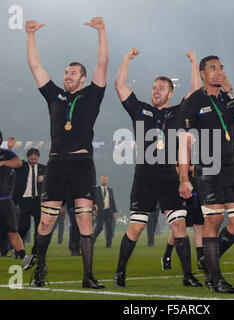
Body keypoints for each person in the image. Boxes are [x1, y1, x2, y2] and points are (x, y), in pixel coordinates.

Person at [25, 17, 109, 289]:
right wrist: (31, 35)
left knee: (84, 218)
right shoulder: (55, 96)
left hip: (82, 163)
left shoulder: (93, 95)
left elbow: (102, 64)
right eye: (66, 73)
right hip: (58, 164)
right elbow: (36, 66)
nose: (67, 76)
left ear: (83, 79)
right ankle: (40, 269)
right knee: (47, 220)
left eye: (73, 73)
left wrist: (101, 31)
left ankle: (88, 276)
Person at [114, 48, 202, 288]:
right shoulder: (141, 109)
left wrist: (194, 63)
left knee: (179, 225)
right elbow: (119, 85)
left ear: (171, 93)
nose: (156, 90)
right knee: (136, 226)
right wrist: (126, 59)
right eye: (154, 87)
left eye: (161, 88)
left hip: (170, 177)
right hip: (144, 176)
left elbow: (196, 92)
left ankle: (187, 275)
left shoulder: (177, 112)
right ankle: (120, 272)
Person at [178, 55, 234, 294]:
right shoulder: (193, 101)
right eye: (213, 68)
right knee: (213, 220)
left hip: (231, 166)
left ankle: (208, 264)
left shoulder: (227, 97)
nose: (218, 71)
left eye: (221, 67)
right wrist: (183, 177)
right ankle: (217, 279)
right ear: (202, 73)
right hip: (208, 167)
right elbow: (185, 141)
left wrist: (230, 87)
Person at [0, 131, 34, 269]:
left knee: (12, 230)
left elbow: (18, 162)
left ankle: (24, 259)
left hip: (4, 199)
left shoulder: (6, 154)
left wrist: (2, 162)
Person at [161, 165, 204, 271]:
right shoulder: (180, 150)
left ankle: (201, 261)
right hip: (183, 189)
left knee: (199, 226)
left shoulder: (198, 150)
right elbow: (174, 167)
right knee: (180, 226)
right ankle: (167, 256)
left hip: (197, 189)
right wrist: (189, 168)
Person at [12, 148, 46, 259]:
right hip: (24, 200)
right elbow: (13, 161)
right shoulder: (22, 167)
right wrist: (10, 148)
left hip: (38, 201)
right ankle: (18, 249)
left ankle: (36, 251)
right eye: (31, 155)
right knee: (24, 226)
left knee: (39, 229)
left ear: (38, 157)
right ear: (28, 157)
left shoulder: (43, 169)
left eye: (36, 155)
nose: (34, 157)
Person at [94, 175, 118, 248]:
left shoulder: (110, 190)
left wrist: (115, 211)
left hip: (108, 212)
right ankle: (92, 239)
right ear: (100, 180)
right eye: (102, 179)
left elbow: (112, 201)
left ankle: (109, 244)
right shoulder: (96, 190)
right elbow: (94, 201)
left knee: (109, 228)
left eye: (105, 179)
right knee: (99, 227)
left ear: (107, 181)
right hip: (100, 212)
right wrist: (94, 209)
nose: (103, 180)